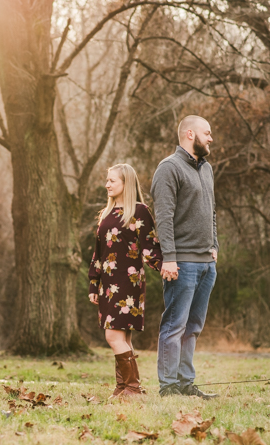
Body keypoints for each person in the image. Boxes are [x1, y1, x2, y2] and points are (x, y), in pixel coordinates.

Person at [150, 115, 219, 399]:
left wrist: (214, 247)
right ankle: (168, 387)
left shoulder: (207, 169)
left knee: (193, 327)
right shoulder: (169, 168)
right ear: (190, 134)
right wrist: (169, 257)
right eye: (208, 132)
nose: (211, 138)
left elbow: (212, 212)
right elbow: (163, 217)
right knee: (174, 325)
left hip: (206, 263)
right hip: (182, 263)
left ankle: (185, 383)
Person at [88, 163, 162, 399]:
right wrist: (94, 283)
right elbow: (98, 253)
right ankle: (123, 387)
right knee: (123, 337)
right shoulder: (106, 214)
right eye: (107, 180)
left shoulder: (139, 211)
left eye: (112, 181)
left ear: (125, 183)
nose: (107, 184)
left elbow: (150, 248)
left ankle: (133, 388)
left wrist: (166, 268)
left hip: (129, 282)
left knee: (113, 337)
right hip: (108, 285)